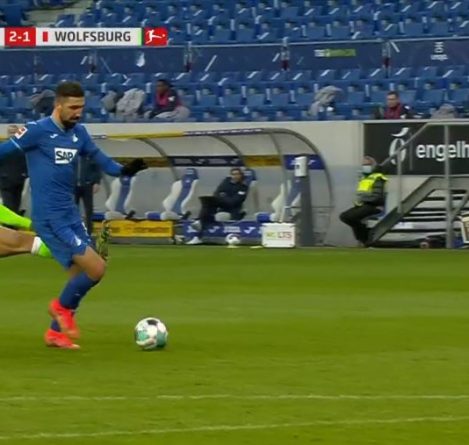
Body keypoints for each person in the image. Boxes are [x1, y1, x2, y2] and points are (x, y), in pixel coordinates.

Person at [0, 81, 146, 350]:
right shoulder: (36, 131)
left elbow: (102, 161)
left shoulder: (79, 133)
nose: (78, 112)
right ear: (58, 106)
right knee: (96, 268)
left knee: (79, 272)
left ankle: (55, 333)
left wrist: (125, 170)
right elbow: (4, 151)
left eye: (81, 107)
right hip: (49, 218)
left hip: (69, 214)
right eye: (73, 107)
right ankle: (59, 308)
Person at [187, 168, 248, 245]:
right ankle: (197, 234)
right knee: (206, 202)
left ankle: (198, 223)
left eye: (237, 174)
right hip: (220, 205)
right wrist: (223, 196)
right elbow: (216, 193)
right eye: (233, 174)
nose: (235, 176)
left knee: (208, 208)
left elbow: (235, 201)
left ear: (241, 175)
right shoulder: (226, 182)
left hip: (233, 209)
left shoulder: (243, 187)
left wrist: (223, 196)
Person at [340, 156, 388, 246]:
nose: (365, 167)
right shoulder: (364, 178)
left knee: (351, 217)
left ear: (373, 165)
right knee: (344, 216)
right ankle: (364, 235)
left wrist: (363, 199)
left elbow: (377, 197)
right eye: (364, 165)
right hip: (363, 205)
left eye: (367, 164)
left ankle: (364, 237)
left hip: (374, 206)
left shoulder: (378, 177)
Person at [0, 125, 28, 214]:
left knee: (17, 203)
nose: (12, 134)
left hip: (20, 179)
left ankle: (15, 218)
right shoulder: (2, 147)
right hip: (5, 180)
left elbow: (26, 162)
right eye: (10, 132)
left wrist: (25, 174)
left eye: (14, 132)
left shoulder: (23, 148)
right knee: (8, 204)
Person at [75, 155, 102, 236]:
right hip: (73, 186)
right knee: (72, 208)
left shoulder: (90, 154)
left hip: (87, 185)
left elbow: (97, 168)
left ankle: (89, 231)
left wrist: (96, 182)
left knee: (88, 209)